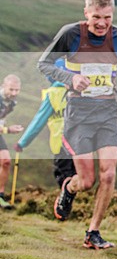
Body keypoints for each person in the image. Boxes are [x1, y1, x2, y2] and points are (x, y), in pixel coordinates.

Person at [38, 0, 117, 249]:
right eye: (96, 17)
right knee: (86, 181)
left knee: (108, 175)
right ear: (86, 13)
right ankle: (68, 190)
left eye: (107, 17)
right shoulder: (71, 34)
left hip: (107, 113)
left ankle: (93, 232)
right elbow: (44, 63)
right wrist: (70, 78)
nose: (102, 23)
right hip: (78, 114)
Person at [14, 58, 77, 194]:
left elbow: (39, 121)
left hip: (61, 144)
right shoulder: (79, 89)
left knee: (63, 175)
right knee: (79, 176)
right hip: (81, 143)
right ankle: (79, 205)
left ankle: (68, 206)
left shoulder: (52, 93)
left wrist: (22, 142)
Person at [0, 75, 24, 208]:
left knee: (6, 161)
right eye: (11, 90)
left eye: (17, 90)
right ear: (3, 86)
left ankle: (0, 196)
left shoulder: (12, 102)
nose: (14, 93)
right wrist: (8, 130)